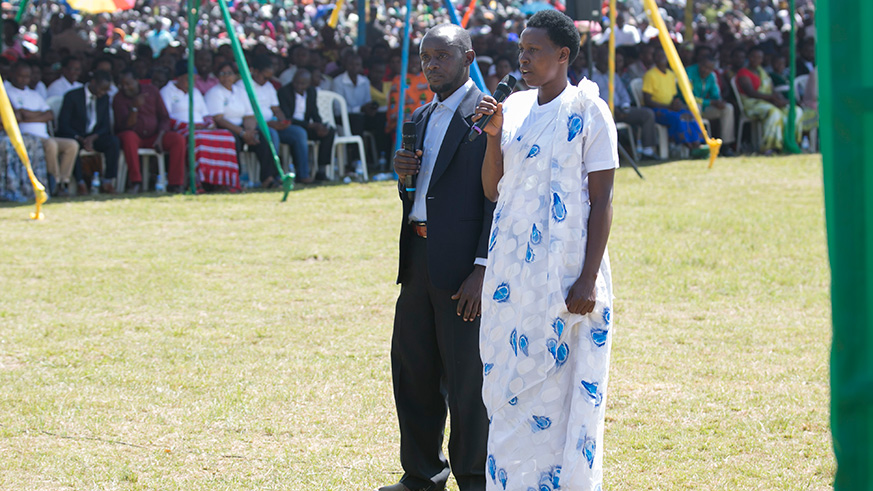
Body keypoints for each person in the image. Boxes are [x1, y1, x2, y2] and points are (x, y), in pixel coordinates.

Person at [473, 9, 617, 491]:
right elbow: (493, 189)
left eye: (534, 50)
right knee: (511, 380)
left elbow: (602, 201)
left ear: (563, 55)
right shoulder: (512, 108)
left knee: (560, 380)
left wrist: (588, 279)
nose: (524, 58)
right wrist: (494, 137)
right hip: (512, 269)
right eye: (521, 50)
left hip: (566, 270)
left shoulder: (588, 109)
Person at [383, 23, 493, 491]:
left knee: (467, 381)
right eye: (426, 57)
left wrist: (482, 268)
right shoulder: (421, 115)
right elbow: (423, 192)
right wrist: (403, 176)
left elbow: (496, 200)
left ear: (468, 59)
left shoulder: (488, 116)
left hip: (463, 267)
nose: (431, 64)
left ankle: (473, 477)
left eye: (442, 56)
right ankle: (422, 475)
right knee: (414, 371)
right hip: (418, 258)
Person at [161, 61, 239, 190]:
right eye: (187, 79)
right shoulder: (167, 91)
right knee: (198, 138)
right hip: (182, 130)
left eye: (194, 79)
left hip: (202, 128)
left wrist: (209, 125)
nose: (191, 82)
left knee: (227, 136)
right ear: (179, 78)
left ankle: (221, 180)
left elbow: (206, 115)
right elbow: (166, 118)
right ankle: (199, 181)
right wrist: (189, 126)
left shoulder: (196, 92)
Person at [4, 61, 80, 196]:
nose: (24, 79)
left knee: (72, 145)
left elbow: (49, 115)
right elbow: (19, 115)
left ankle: (64, 181)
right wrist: (38, 115)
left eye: (27, 76)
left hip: (45, 136)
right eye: (21, 76)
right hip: (27, 136)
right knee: (51, 144)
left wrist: (28, 116)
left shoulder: (34, 94)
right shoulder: (7, 93)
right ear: (12, 74)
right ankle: (54, 183)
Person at [113, 69, 186, 193]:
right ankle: (136, 182)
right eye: (122, 85)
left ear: (137, 81)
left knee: (178, 139)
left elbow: (164, 117)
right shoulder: (119, 98)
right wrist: (134, 108)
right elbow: (125, 126)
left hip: (155, 136)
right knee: (128, 137)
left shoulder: (152, 91)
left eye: (128, 84)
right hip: (135, 137)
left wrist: (160, 137)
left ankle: (175, 184)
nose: (125, 88)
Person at [205, 61, 275, 184]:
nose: (226, 77)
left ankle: (268, 178)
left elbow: (249, 115)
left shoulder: (240, 91)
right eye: (222, 74)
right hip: (224, 128)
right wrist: (242, 133)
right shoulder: (214, 92)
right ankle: (236, 179)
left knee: (263, 136)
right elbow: (219, 119)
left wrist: (250, 132)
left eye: (229, 73)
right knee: (233, 139)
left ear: (235, 75)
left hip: (243, 128)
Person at [587, 48, 659, 159]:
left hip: (621, 109)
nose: (608, 61)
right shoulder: (589, 75)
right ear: (598, 58)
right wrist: (610, 108)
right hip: (601, 113)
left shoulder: (613, 74)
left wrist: (624, 107)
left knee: (647, 114)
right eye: (605, 58)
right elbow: (589, 99)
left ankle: (647, 151)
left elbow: (623, 94)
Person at [56, 70, 119, 195]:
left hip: (94, 136)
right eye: (102, 89)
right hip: (75, 135)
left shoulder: (104, 98)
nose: (103, 93)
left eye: (106, 90)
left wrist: (93, 137)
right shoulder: (72, 96)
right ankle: (80, 182)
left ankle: (107, 181)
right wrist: (80, 138)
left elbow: (106, 125)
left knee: (113, 142)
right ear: (93, 82)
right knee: (73, 146)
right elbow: (63, 124)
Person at [735, 47, 806, 153]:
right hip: (752, 104)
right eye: (754, 57)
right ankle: (770, 146)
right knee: (774, 113)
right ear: (749, 58)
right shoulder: (743, 73)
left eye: (759, 57)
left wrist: (780, 100)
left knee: (796, 111)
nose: (756, 60)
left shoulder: (763, 73)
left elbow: (772, 91)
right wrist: (771, 98)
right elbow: (751, 92)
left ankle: (791, 142)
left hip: (768, 102)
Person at [277, 68, 334, 181]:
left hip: (307, 125)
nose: (299, 86)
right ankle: (302, 174)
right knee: (299, 133)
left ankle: (321, 170)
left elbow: (314, 112)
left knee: (329, 132)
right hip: (291, 126)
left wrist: (320, 125)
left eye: (303, 83)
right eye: (296, 82)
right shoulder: (284, 92)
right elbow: (287, 117)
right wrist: (310, 125)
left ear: (309, 83)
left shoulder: (311, 92)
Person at [642, 48, 704, 147]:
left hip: (670, 108)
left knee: (689, 114)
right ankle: (686, 145)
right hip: (656, 109)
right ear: (654, 59)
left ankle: (697, 142)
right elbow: (647, 100)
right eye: (658, 56)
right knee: (677, 117)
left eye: (663, 55)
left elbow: (673, 96)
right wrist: (668, 107)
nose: (661, 58)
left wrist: (676, 103)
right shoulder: (650, 75)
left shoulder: (671, 75)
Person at [687, 56, 736, 154]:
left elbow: (715, 94)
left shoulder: (711, 76)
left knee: (728, 108)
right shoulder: (689, 72)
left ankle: (725, 146)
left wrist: (719, 102)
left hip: (704, 108)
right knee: (696, 106)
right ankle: (698, 144)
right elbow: (689, 97)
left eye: (710, 68)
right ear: (699, 64)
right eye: (704, 67)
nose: (706, 70)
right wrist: (710, 102)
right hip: (687, 107)